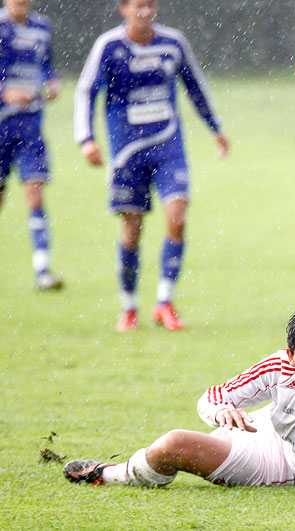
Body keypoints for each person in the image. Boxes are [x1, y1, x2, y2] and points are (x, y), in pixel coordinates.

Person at [63, 304, 295, 490]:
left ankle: (108, 475)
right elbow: (212, 397)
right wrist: (221, 413)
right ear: (291, 355)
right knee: (167, 448)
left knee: (173, 444)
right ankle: (119, 474)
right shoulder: (278, 368)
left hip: (290, 468)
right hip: (267, 431)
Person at [74, 0, 229, 332]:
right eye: (137, 6)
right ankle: (129, 307)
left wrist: (215, 127)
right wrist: (86, 138)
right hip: (126, 153)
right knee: (132, 230)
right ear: (123, 9)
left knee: (177, 218)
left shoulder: (172, 43)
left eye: (149, 5)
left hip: (169, 148)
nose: (144, 11)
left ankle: (164, 302)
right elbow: (86, 92)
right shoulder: (109, 46)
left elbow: (195, 86)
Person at [0, 0, 62, 290]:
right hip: (1, 126)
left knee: (35, 193)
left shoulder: (42, 27)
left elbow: (46, 65)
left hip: (30, 127)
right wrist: (4, 92)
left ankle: (42, 271)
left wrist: (52, 82)